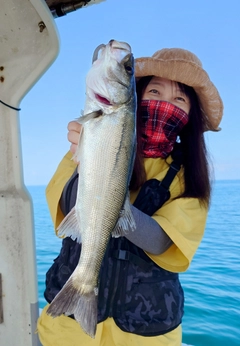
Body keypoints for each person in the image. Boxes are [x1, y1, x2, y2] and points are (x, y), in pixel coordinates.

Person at [37, 47, 223, 346]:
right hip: (69, 333)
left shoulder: (190, 175)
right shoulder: (84, 140)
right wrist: (83, 163)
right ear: (136, 96)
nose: (165, 104)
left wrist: (116, 209)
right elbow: (64, 206)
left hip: (146, 334)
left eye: (179, 99)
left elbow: (165, 242)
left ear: (190, 115)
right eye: (154, 91)